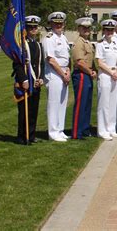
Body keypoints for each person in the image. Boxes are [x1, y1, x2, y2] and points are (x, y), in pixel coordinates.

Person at [13, 16, 44, 145]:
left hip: (36, 82)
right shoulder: (21, 44)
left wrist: (41, 78)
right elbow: (17, 64)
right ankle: (21, 137)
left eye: (35, 27)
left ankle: (31, 135)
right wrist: (24, 79)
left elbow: (41, 63)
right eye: (30, 27)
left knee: (34, 110)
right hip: (25, 82)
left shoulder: (38, 44)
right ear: (26, 28)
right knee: (24, 111)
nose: (33, 29)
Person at [43, 11, 70, 142]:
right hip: (54, 74)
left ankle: (60, 130)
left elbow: (66, 58)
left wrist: (67, 72)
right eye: (56, 23)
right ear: (51, 24)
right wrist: (63, 74)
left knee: (62, 103)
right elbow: (51, 60)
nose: (59, 25)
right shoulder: (49, 38)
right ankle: (53, 132)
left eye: (61, 23)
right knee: (53, 103)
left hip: (63, 72)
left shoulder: (63, 38)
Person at [71, 17, 96, 140]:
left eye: (88, 28)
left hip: (87, 74)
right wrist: (90, 72)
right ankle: (76, 132)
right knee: (81, 104)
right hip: (81, 74)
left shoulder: (87, 42)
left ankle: (85, 129)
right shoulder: (79, 43)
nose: (86, 30)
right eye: (84, 28)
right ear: (79, 29)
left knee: (87, 104)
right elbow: (79, 62)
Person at [96, 19, 117, 141]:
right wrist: (111, 72)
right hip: (105, 75)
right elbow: (100, 62)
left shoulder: (116, 43)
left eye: (111, 30)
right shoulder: (100, 44)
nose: (109, 32)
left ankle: (111, 128)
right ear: (103, 31)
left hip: (114, 75)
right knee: (104, 104)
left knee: (112, 104)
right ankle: (102, 130)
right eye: (107, 30)